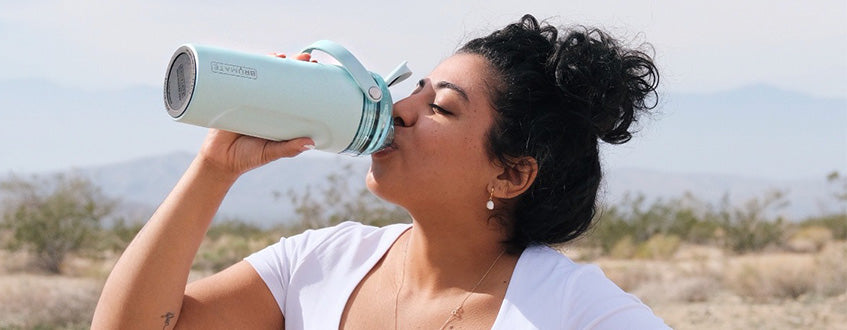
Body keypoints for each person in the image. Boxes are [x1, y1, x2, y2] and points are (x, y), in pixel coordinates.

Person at [92, 14, 667, 329]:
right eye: (412, 91)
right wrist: (213, 168)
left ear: (511, 176)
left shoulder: (567, 309)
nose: (398, 111)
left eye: (440, 107)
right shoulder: (317, 265)